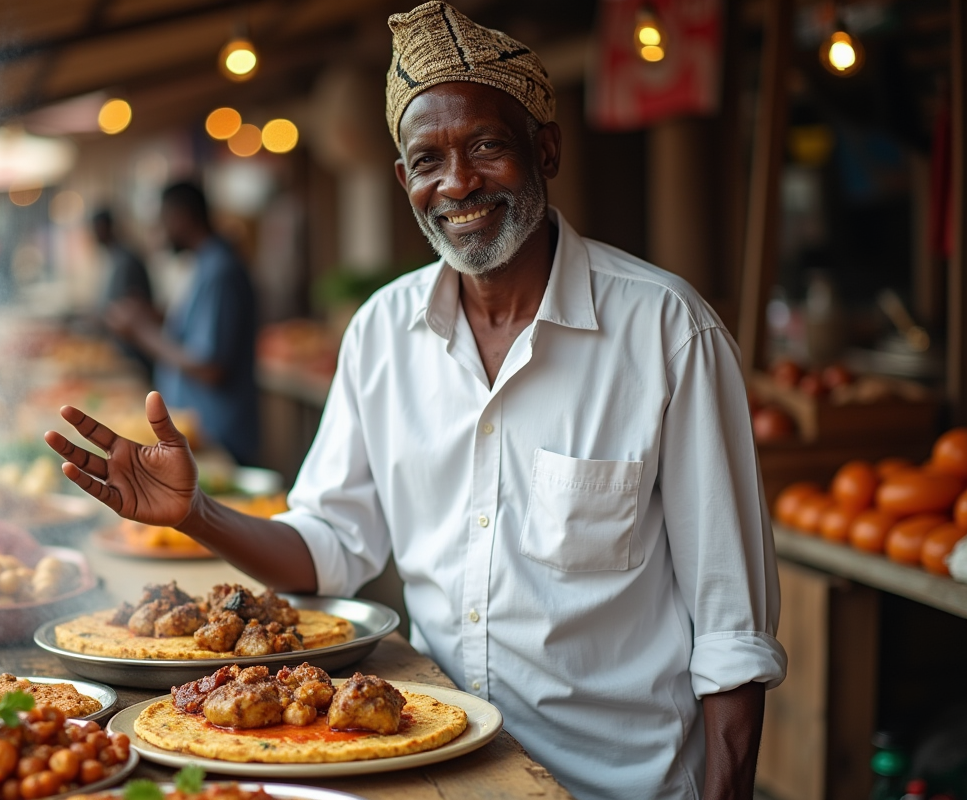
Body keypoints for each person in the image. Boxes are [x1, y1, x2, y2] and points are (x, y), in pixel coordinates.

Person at [45, 4, 786, 798]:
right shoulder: (381, 333)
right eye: (428, 159)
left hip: (618, 786)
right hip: (437, 766)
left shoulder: (668, 333)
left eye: (488, 147)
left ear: (547, 149)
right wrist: (199, 516)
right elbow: (333, 543)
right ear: (405, 182)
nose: (458, 182)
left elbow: (732, 633)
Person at [105, 182, 259, 465]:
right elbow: (194, 327)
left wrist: (140, 331)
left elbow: (209, 366)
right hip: (202, 429)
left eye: (164, 221)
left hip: (217, 435)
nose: (162, 232)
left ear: (182, 217)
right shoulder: (204, 264)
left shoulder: (219, 271)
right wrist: (150, 316)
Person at [91, 208, 154, 377]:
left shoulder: (126, 261)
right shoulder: (116, 257)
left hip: (134, 355)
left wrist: (104, 318)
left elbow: (127, 313)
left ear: (104, 228)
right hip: (126, 349)